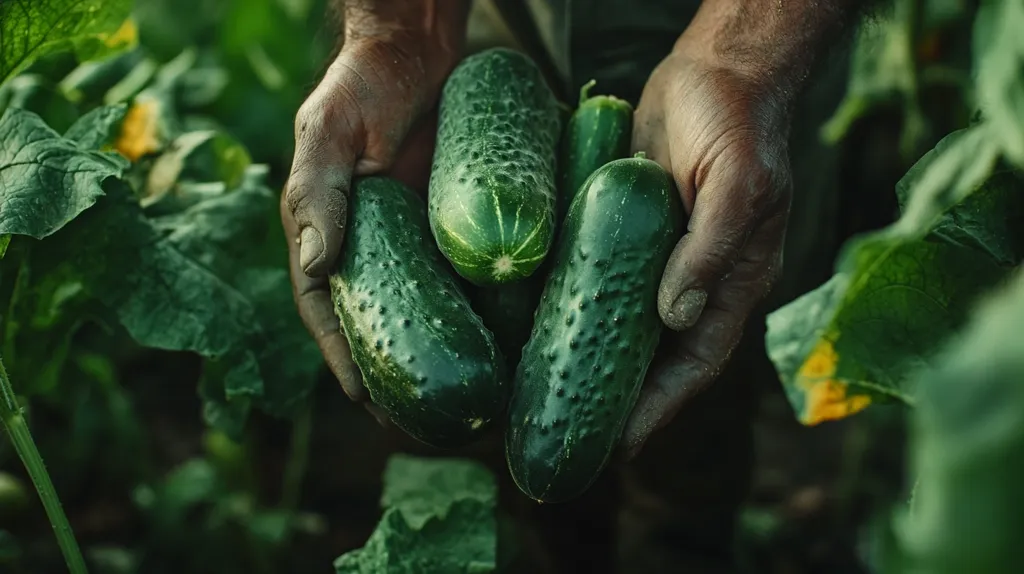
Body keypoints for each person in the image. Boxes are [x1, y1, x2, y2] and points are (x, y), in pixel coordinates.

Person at [281, 1, 866, 572]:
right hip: (499, 33)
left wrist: (738, 61)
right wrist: (398, 29)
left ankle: (681, 535)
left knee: (714, 275)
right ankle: (560, 540)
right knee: (514, 410)